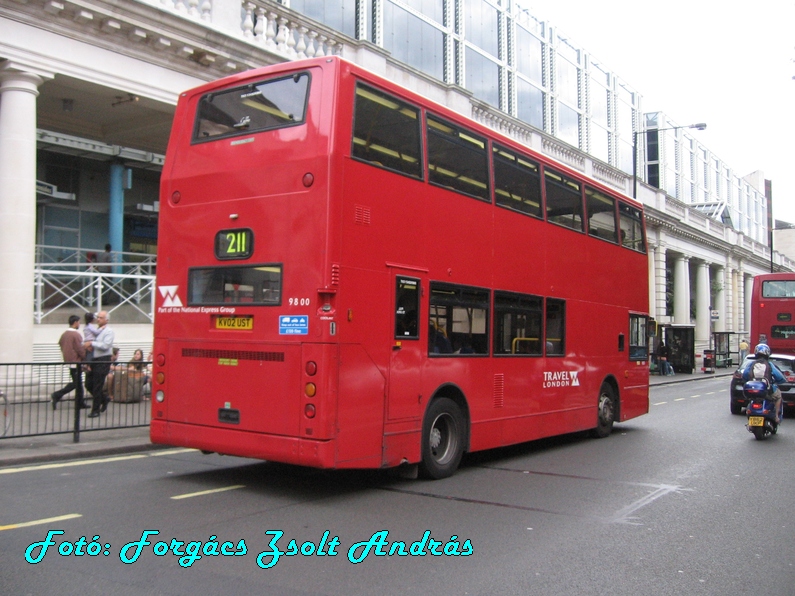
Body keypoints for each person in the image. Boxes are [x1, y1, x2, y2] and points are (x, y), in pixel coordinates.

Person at [50, 315, 87, 410]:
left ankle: (80, 402)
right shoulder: (76, 335)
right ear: (75, 322)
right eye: (78, 322)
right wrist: (85, 358)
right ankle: (57, 394)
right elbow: (80, 349)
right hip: (76, 361)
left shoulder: (64, 334)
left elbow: (61, 344)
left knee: (78, 382)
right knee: (77, 383)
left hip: (68, 361)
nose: (79, 324)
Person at [742, 343, 785, 423]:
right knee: (778, 396)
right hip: (767, 390)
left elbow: (744, 375)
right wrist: (781, 381)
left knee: (750, 399)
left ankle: (750, 419)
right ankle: (776, 417)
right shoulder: (769, 364)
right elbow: (779, 377)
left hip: (752, 390)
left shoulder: (751, 364)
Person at [84, 310, 115, 418]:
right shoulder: (96, 330)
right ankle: (104, 399)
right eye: (97, 317)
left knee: (97, 384)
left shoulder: (108, 331)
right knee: (88, 383)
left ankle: (95, 409)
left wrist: (92, 343)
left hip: (103, 359)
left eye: (101, 317)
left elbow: (106, 345)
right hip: (94, 359)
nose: (98, 319)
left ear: (106, 320)